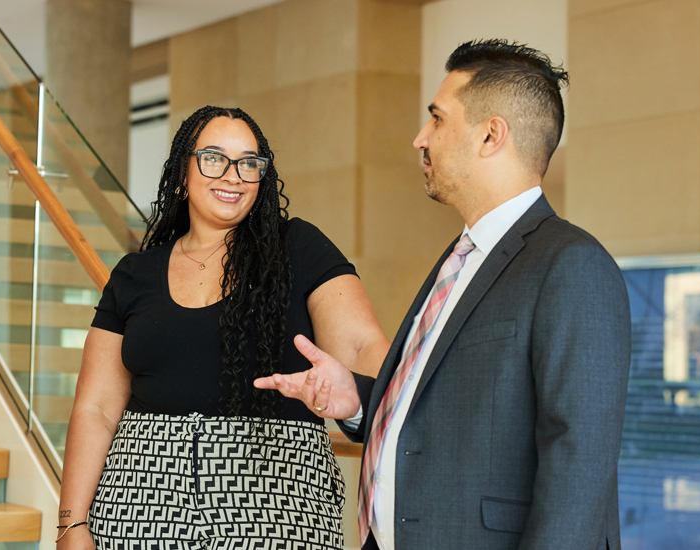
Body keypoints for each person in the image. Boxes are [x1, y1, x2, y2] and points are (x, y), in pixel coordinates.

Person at [257, 39, 632, 550]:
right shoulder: (462, 257)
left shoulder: (571, 264)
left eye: (437, 119)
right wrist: (358, 402)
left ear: (490, 135)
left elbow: (579, 464)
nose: (419, 138)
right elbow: (447, 413)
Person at [56, 106, 390, 549]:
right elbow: (96, 408)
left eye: (249, 163)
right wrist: (72, 524)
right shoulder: (135, 273)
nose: (233, 175)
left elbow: (365, 347)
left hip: (277, 505)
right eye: (214, 158)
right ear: (182, 172)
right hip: (138, 504)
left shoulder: (300, 248)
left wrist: (368, 401)